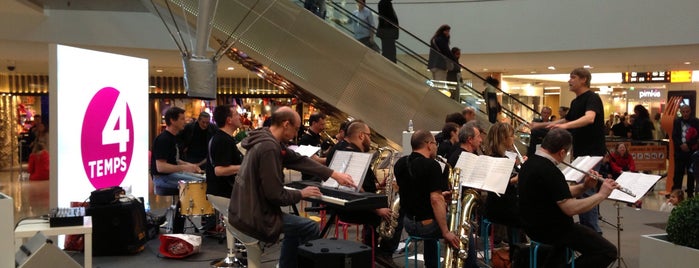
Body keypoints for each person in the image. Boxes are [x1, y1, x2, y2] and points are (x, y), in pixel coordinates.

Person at [228, 107, 354, 268]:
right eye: (296, 129)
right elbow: (275, 195)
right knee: (309, 227)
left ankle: (286, 264)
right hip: (254, 216)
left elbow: (298, 160)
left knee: (297, 227)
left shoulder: (265, 138)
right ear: (286, 124)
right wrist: (301, 193)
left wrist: (334, 174)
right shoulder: (269, 148)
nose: (296, 134)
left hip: (243, 210)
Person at [519, 128, 618, 267]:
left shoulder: (529, 163)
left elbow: (559, 192)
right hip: (553, 230)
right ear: (562, 152)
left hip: (533, 227)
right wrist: (602, 194)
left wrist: (584, 186)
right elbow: (570, 208)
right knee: (607, 251)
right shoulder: (550, 170)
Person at [529, 67, 607, 234]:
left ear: (583, 79)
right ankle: (588, 230)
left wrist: (564, 126)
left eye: (573, 77)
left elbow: (589, 118)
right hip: (581, 152)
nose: (569, 81)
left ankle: (593, 232)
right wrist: (541, 125)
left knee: (587, 190)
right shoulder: (576, 101)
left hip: (592, 152)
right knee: (582, 189)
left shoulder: (592, 97)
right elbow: (568, 119)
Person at [327, 121, 398, 268]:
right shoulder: (351, 152)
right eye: (369, 136)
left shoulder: (338, 148)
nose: (370, 140)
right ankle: (382, 252)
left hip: (342, 204)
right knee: (395, 214)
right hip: (354, 207)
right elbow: (354, 187)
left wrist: (378, 186)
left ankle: (370, 248)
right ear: (361, 135)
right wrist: (377, 209)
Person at [395, 130, 459, 268]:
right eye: (435, 144)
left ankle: (432, 265)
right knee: (462, 225)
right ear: (429, 144)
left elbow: (415, 191)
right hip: (426, 226)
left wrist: (442, 196)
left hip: (408, 224)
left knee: (435, 215)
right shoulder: (432, 165)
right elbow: (435, 200)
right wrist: (446, 232)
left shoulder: (400, 163)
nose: (436, 147)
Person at [151, 107, 205, 233]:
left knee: (202, 178)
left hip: (170, 175)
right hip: (162, 179)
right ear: (172, 120)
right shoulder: (163, 139)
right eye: (181, 119)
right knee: (199, 182)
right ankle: (179, 226)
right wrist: (185, 168)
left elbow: (175, 161)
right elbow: (161, 167)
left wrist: (191, 166)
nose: (184, 121)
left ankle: (182, 223)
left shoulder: (172, 138)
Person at [483, 122, 524, 261]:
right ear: (503, 138)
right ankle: (518, 255)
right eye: (511, 136)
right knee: (528, 217)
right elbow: (501, 183)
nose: (514, 139)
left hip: (506, 203)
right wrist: (520, 175)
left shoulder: (505, 157)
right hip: (500, 205)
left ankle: (518, 252)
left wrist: (520, 166)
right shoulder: (495, 158)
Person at [206, 104, 244, 198]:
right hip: (223, 193)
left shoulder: (223, 138)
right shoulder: (223, 140)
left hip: (224, 191)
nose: (239, 117)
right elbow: (219, 170)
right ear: (229, 120)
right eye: (236, 114)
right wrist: (246, 166)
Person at [672, 104, 699, 198]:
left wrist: (688, 145)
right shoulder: (676, 121)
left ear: (690, 111)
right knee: (678, 173)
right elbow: (674, 135)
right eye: (683, 112)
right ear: (681, 112)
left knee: (691, 173)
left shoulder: (696, 121)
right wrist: (681, 145)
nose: (685, 114)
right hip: (679, 152)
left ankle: (690, 193)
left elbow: (696, 136)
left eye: (687, 111)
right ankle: (676, 194)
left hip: (691, 152)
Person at [299, 112, 327, 181]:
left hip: (318, 174)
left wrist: (330, 150)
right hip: (310, 178)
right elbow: (316, 160)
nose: (323, 127)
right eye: (322, 124)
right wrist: (332, 158)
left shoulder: (317, 137)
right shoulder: (305, 140)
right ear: (314, 123)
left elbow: (320, 154)